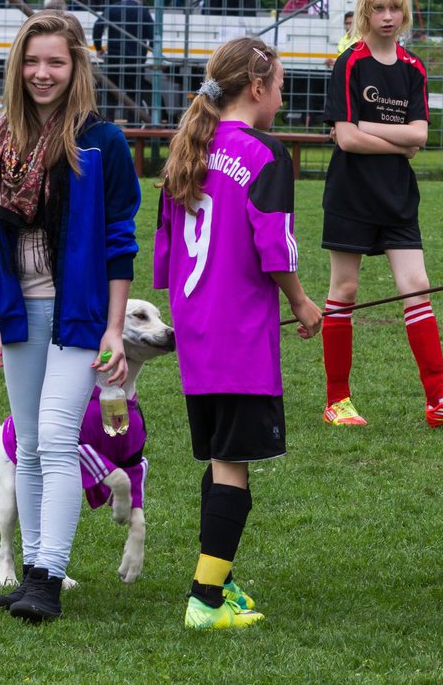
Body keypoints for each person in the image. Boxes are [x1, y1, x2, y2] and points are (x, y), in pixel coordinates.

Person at [0, 10, 140, 622]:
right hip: (17, 313)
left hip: (79, 315)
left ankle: (47, 575)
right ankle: (33, 571)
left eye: (56, 63)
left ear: (76, 67)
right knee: (30, 445)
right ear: (18, 65)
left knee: (60, 439)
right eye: (32, 61)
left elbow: (120, 244)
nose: (43, 73)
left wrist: (116, 328)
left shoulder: (101, 142)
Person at [155, 37, 322, 630]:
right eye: (279, 85)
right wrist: (301, 302)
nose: (281, 96)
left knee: (222, 454)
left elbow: (166, 252)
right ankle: (204, 600)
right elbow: (274, 246)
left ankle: (216, 582)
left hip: (197, 330)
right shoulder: (267, 155)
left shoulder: (187, 148)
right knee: (233, 463)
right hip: (240, 338)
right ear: (257, 88)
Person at [320, 0, 443, 428]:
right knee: (345, 291)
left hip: (397, 196)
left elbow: (419, 138)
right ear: (364, 12)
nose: (388, 16)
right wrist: (390, 138)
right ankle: (337, 401)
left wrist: (367, 128)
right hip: (351, 193)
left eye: (396, 8)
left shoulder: (413, 68)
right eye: (378, 8)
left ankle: (438, 399)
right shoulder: (349, 64)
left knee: (418, 287)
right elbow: (346, 142)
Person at [93, 0, 154, 124]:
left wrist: (99, 48)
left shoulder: (113, 8)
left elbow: (97, 27)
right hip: (135, 61)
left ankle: (107, 129)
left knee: (110, 97)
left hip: (114, 59)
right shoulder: (143, 11)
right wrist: (149, 52)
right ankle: (134, 132)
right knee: (133, 97)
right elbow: (153, 35)